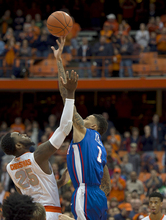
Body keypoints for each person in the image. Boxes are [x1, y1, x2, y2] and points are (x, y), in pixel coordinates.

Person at [1, 69, 78, 220]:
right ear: (17, 146)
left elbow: (28, 192)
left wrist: (58, 184)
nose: (23, 134)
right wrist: (70, 94)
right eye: (19, 135)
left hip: (33, 214)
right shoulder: (37, 156)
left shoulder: (9, 168)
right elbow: (65, 127)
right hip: (50, 213)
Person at [52, 37, 111, 220]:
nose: (82, 119)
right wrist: (64, 178)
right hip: (99, 196)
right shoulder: (100, 147)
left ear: (93, 125)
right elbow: (107, 184)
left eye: (86, 118)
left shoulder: (85, 132)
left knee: (61, 218)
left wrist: (59, 61)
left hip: (84, 192)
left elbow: (66, 99)